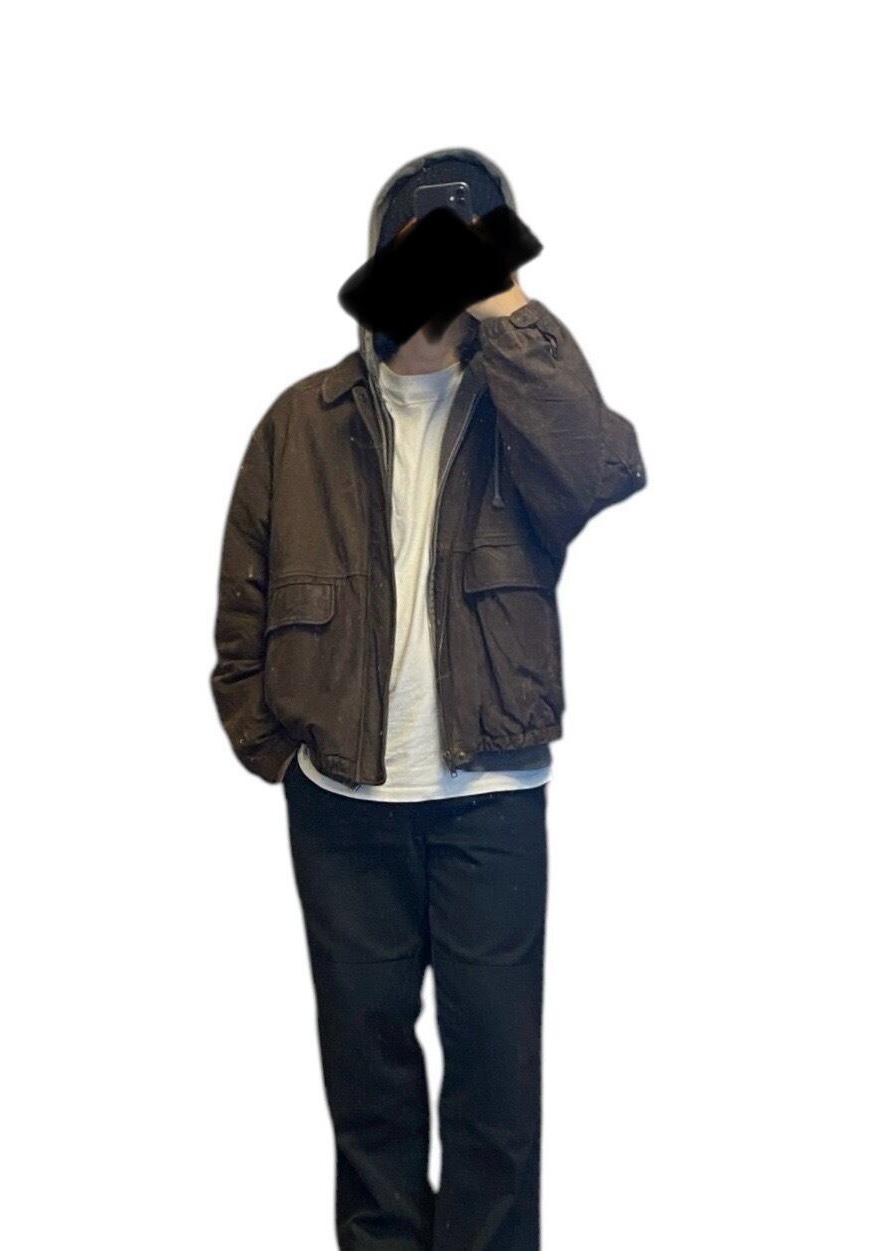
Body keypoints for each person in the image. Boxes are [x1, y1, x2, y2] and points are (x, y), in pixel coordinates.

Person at [210, 147, 647, 1249]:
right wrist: (273, 747)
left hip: (490, 799)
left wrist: (508, 308)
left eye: (470, 248)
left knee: (495, 1085)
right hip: (341, 805)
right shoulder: (300, 420)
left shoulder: (525, 420)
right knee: (367, 1084)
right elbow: (241, 602)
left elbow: (601, 468)